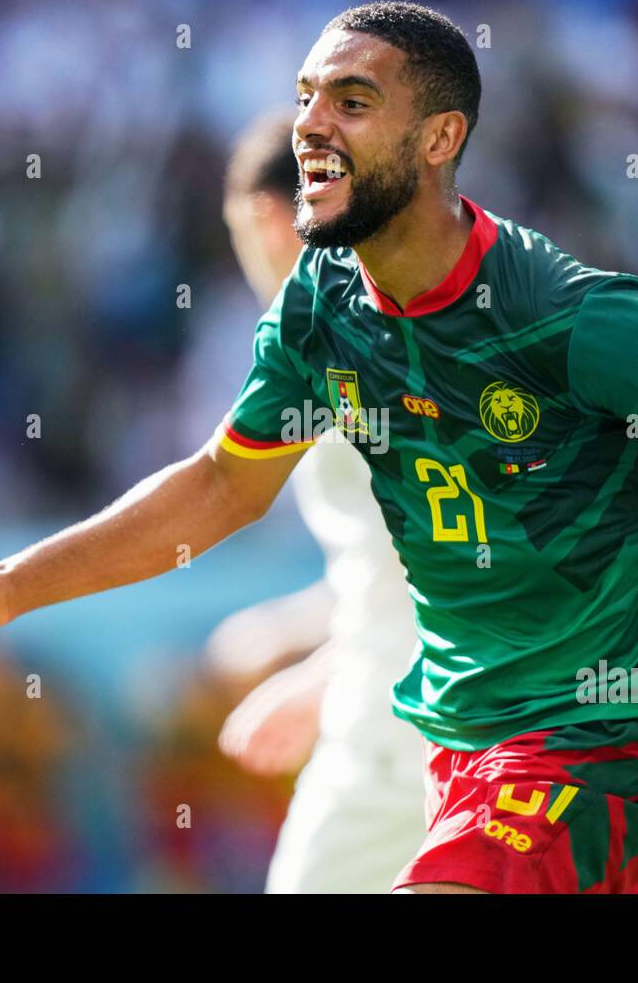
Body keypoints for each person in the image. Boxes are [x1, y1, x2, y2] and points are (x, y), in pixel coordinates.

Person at [0, 0, 638, 894]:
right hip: (460, 746)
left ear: (440, 137)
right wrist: (7, 586)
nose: (308, 124)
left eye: (351, 100)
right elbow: (220, 485)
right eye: (306, 96)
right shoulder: (321, 309)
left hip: (586, 736)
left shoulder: (574, 319)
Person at [210, 111, 425, 893]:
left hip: (400, 727)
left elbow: (443, 556)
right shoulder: (387, 319)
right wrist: (302, 634)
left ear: (265, 218)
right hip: (443, 710)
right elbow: (392, 559)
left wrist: (323, 675)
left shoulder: (345, 348)